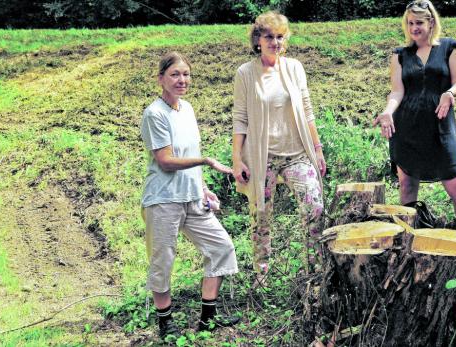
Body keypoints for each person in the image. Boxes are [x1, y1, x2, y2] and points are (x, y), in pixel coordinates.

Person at [140, 51, 240, 338]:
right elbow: (166, 161)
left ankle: (208, 318)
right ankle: (165, 323)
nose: (181, 80)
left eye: (185, 74)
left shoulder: (188, 109)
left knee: (221, 248)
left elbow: (189, 153)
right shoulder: (154, 114)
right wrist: (207, 161)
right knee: (163, 260)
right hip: (163, 199)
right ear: (161, 79)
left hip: (192, 197)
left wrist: (204, 188)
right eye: (174, 74)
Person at [231, 11, 327, 283]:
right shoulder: (246, 73)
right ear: (258, 40)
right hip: (262, 157)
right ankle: (262, 276)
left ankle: (314, 273)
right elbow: (240, 119)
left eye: (280, 36)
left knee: (314, 208)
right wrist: (237, 159)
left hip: (297, 153)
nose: (275, 41)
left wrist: (317, 149)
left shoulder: (294, 68)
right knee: (260, 216)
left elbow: (307, 110)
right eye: (269, 36)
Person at [373, 0, 456, 233]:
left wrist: (449, 93)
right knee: (407, 186)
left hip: (440, 129)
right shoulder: (400, 55)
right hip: (407, 129)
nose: (413, 28)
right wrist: (388, 111)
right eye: (410, 23)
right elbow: (397, 91)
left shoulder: (450, 48)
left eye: (419, 22)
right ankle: (409, 244)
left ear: (431, 22)